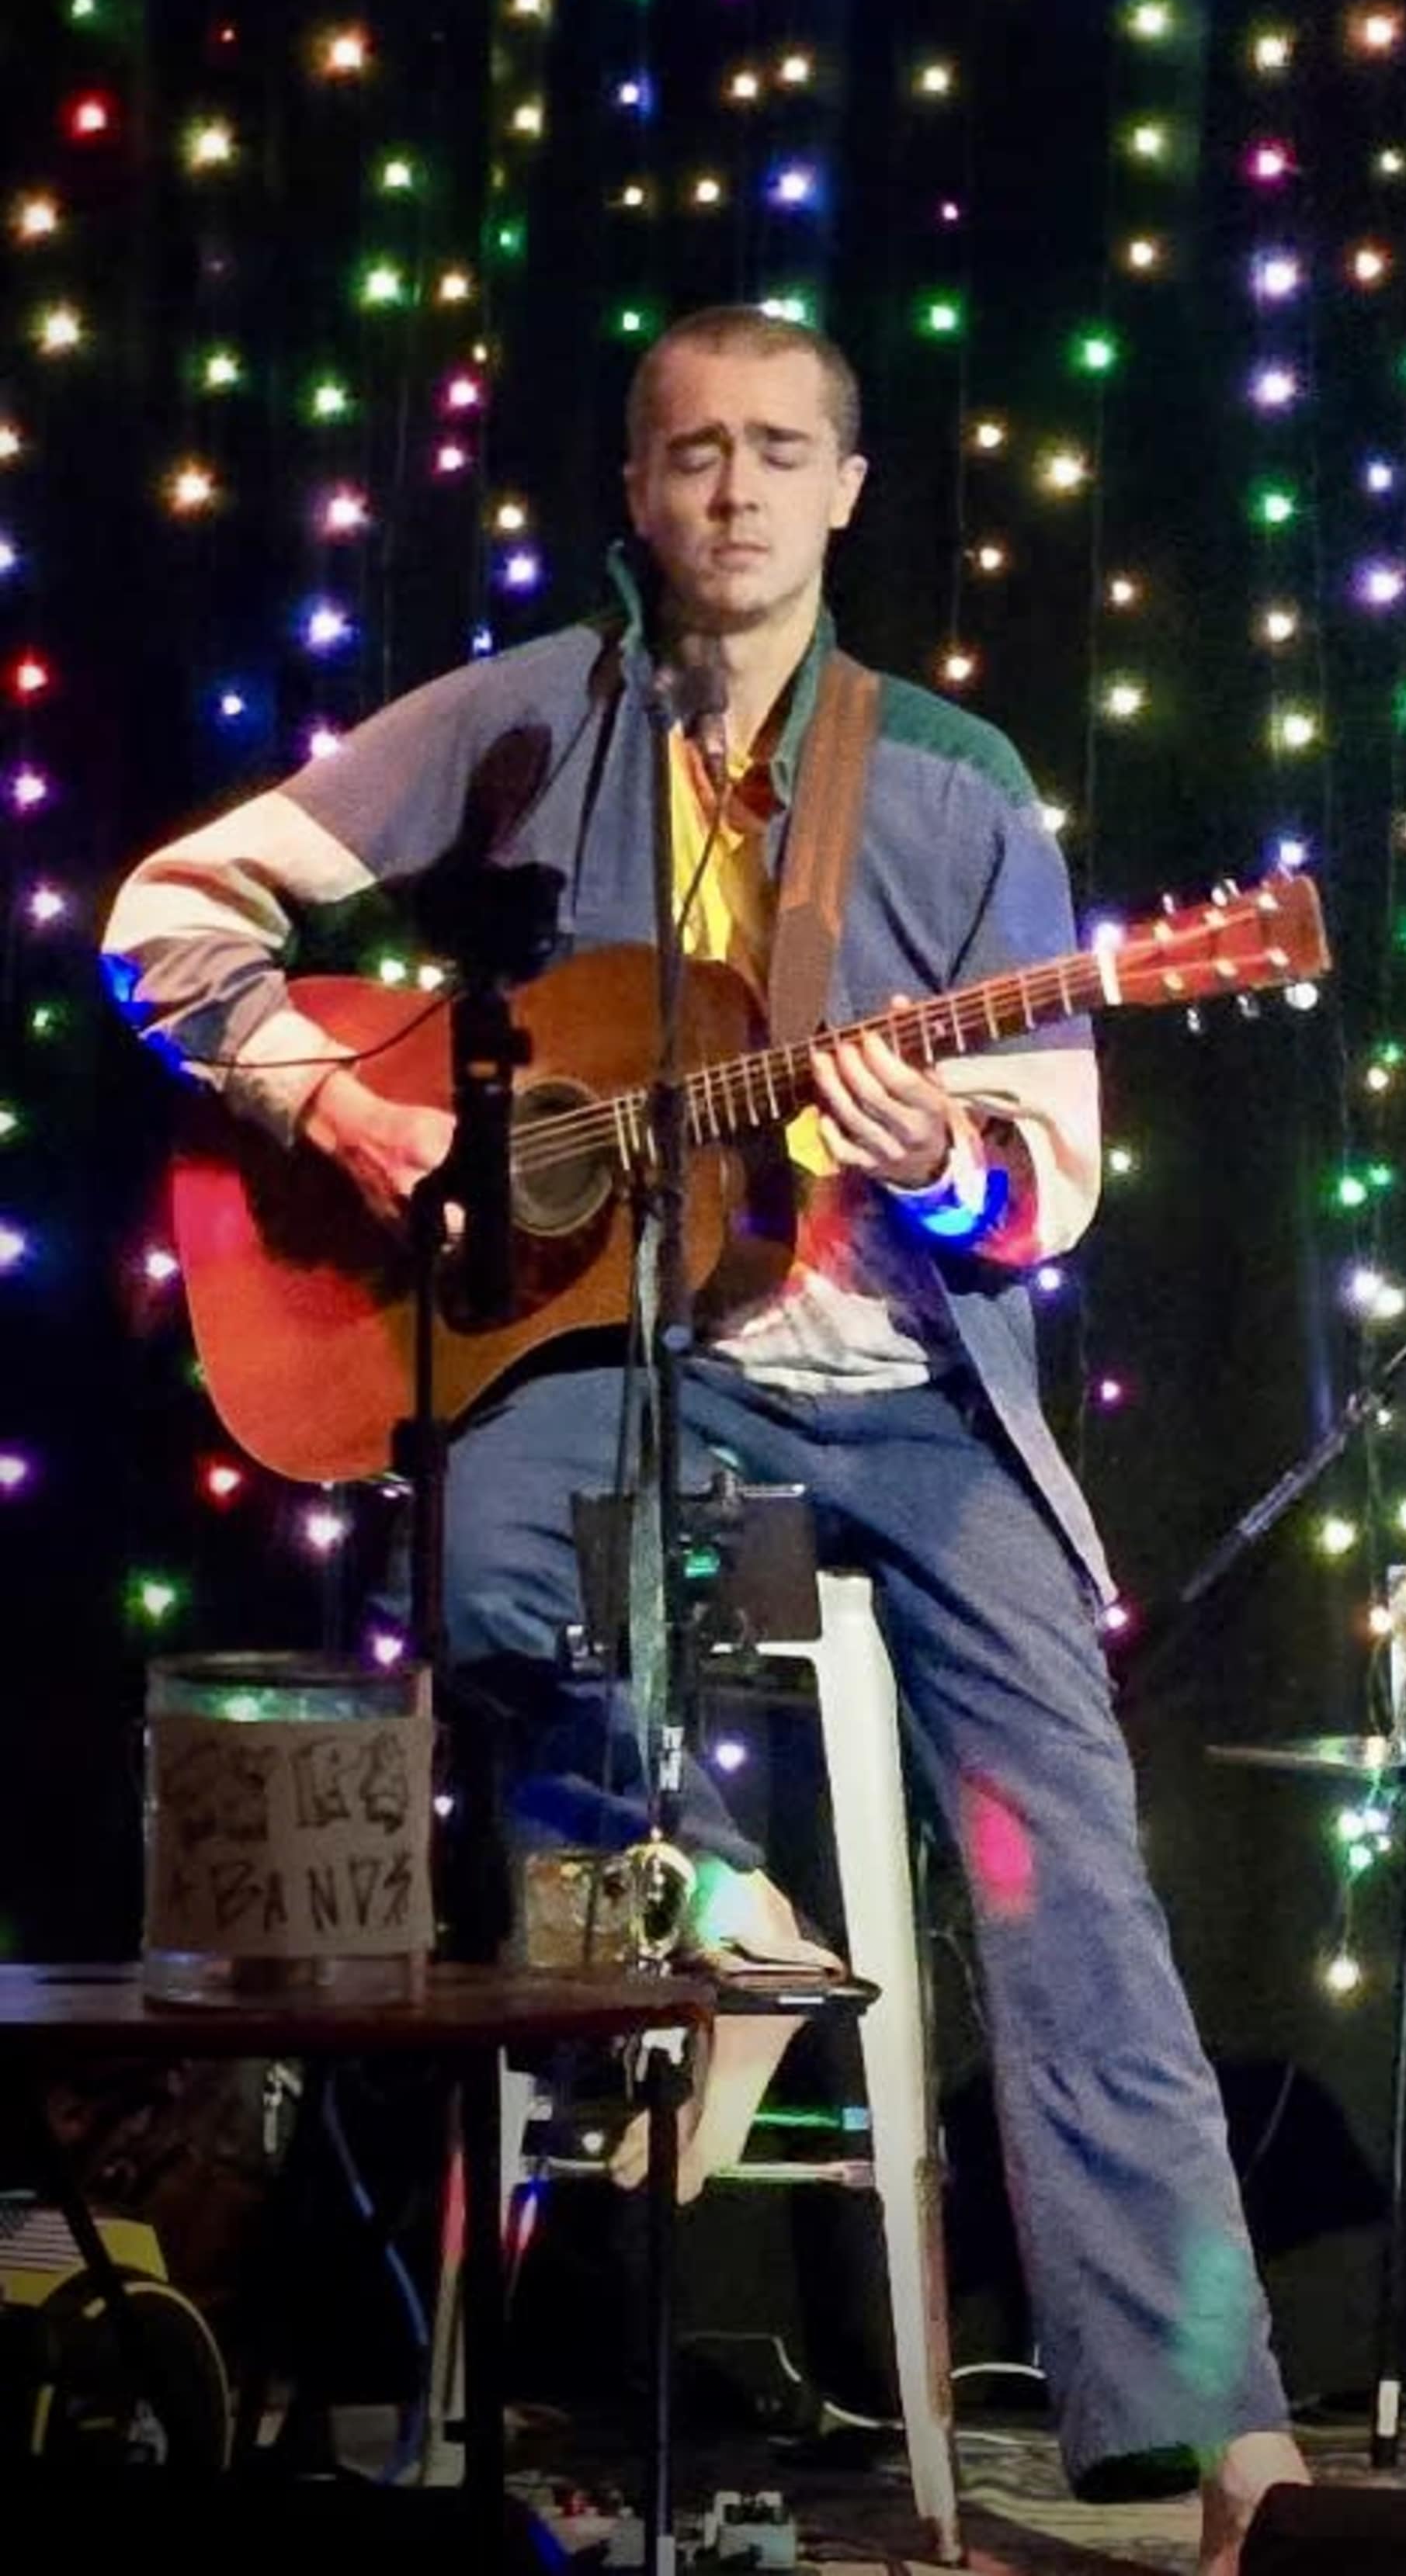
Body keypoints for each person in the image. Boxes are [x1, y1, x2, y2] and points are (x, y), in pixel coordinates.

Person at [105, 304, 1308, 2570]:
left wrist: (936, 1147)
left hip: (906, 1391)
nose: (735, 492)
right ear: (636, 493)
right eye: (691, 455)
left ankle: (1207, 2429)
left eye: (779, 452)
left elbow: (1050, 1178)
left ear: (849, 490)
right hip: (613, 1362)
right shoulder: (510, 728)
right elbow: (163, 914)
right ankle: (699, 1879)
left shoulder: (952, 775)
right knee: (463, 1585)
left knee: (1067, 1847)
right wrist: (330, 1102)